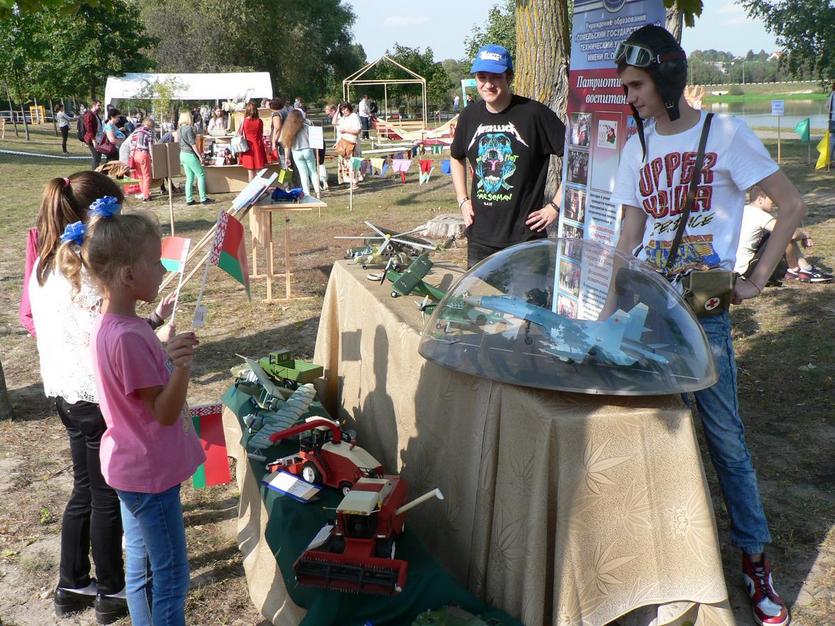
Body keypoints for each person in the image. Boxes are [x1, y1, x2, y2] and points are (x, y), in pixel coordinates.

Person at [610, 25, 805, 626]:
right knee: (652, 438)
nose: (631, 97)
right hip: (647, 317)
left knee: (725, 441)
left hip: (706, 318)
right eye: (625, 87)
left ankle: (753, 560)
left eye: (637, 85)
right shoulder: (634, 147)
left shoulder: (725, 134)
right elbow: (628, 237)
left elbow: (791, 205)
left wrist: (753, 279)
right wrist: (607, 304)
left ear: (666, 78)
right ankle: (665, 559)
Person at [28, 173, 167, 624]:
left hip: (66, 392)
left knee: (84, 488)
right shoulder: (83, 268)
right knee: (106, 493)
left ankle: (72, 581)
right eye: (115, 213)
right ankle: (112, 588)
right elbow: (106, 335)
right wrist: (152, 330)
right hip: (93, 394)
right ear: (98, 215)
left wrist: (148, 322)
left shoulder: (47, 262)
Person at [83, 207, 204, 626]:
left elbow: (139, 391)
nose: (162, 269)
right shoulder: (130, 337)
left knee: (140, 566)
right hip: (150, 476)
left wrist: (163, 351)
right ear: (128, 276)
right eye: (156, 262)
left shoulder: (115, 326)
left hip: (129, 467)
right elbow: (165, 413)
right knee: (170, 574)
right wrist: (182, 367)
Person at [450, 44, 566, 268]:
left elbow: (578, 159)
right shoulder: (469, 116)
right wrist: (463, 201)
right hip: (480, 238)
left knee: (527, 304)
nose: (488, 84)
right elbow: (456, 157)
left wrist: (555, 205)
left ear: (509, 77)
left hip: (525, 240)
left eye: (496, 77)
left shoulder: (535, 114)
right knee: (481, 302)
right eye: (481, 77)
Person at [735, 185, 832, 283]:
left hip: (734, 269)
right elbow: (790, 233)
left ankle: (800, 268)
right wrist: (805, 235)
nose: (775, 203)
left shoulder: (743, 210)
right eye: (772, 199)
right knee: (783, 234)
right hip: (747, 270)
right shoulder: (759, 215)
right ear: (760, 199)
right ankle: (800, 269)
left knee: (777, 232)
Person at [280, 109, 320, 198]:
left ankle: (307, 193)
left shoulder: (288, 129)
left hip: (296, 152)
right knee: (313, 171)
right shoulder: (306, 126)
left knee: (303, 173)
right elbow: (314, 140)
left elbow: (287, 145)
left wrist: (287, 158)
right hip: (307, 149)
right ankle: (317, 191)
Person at [177, 111, 212, 206]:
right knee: (201, 175)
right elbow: (193, 144)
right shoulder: (189, 129)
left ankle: (189, 199)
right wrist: (200, 156)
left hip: (182, 154)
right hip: (189, 154)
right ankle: (203, 198)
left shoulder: (179, 129)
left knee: (189, 177)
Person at [238, 101, 267, 182]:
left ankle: (251, 191)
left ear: (247, 110)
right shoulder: (260, 121)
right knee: (259, 172)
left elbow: (239, 134)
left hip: (247, 147)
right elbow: (261, 133)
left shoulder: (243, 121)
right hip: (258, 145)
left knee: (250, 171)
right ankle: (260, 190)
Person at [336, 102, 362, 189]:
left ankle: (355, 182)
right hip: (343, 143)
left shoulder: (354, 116)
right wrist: (337, 110)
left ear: (349, 108)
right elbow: (334, 122)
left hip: (352, 143)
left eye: (345, 109)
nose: (344, 111)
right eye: (342, 110)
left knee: (353, 163)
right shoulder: (343, 118)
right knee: (346, 164)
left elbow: (357, 130)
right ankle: (350, 181)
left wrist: (346, 131)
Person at [131, 118, 155, 202]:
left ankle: (144, 192)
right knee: (147, 176)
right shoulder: (149, 132)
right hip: (144, 154)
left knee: (140, 176)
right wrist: (152, 157)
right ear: (151, 125)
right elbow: (150, 146)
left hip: (135, 154)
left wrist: (131, 155)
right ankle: (146, 195)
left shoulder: (136, 131)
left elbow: (132, 144)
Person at [83, 100, 104, 169]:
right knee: (96, 157)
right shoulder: (89, 114)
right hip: (92, 139)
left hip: (98, 139)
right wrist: (93, 140)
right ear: (94, 105)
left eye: (100, 105)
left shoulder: (96, 114)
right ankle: (94, 174)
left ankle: (97, 172)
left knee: (98, 157)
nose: (100, 107)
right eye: (98, 105)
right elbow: (89, 128)